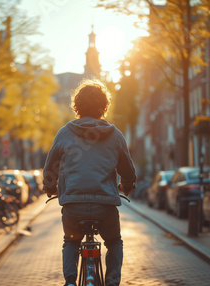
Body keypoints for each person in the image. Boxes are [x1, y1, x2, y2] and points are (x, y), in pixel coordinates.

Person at [43, 78, 136, 286]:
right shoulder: (115, 135)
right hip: (105, 206)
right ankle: (112, 281)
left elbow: (51, 167)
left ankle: (69, 282)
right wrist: (127, 186)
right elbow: (128, 170)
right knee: (113, 242)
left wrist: (50, 187)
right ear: (104, 107)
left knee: (71, 241)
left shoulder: (65, 133)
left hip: (73, 206)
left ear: (77, 106)